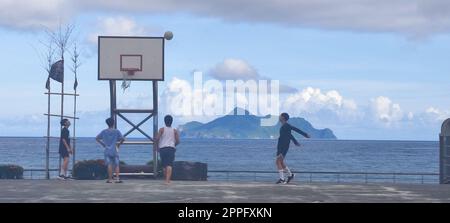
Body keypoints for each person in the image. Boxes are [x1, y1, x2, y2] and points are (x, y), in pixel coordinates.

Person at [276, 113, 310, 184]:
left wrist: (305, 134)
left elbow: (296, 129)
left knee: (278, 161)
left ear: (283, 117)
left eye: (280, 116)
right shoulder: (283, 126)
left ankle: (282, 179)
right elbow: (290, 135)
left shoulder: (287, 125)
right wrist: (295, 142)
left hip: (284, 145)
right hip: (280, 145)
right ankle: (290, 175)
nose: (279, 117)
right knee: (281, 162)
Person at [96, 117, 125, 183]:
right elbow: (123, 139)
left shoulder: (104, 131)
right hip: (114, 149)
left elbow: (97, 138)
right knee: (117, 164)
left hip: (107, 149)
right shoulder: (116, 131)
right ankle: (117, 178)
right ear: (113, 123)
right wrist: (119, 144)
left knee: (109, 164)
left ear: (107, 123)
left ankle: (110, 179)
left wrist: (103, 144)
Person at [154, 115, 180, 185]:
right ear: (172, 121)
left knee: (164, 165)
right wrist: (174, 145)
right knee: (169, 165)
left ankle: (166, 179)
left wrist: (157, 147)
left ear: (164, 121)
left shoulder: (161, 129)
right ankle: (167, 181)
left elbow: (157, 139)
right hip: (171, 148)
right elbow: (178, 141)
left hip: (163, 148)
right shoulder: (174, 130)